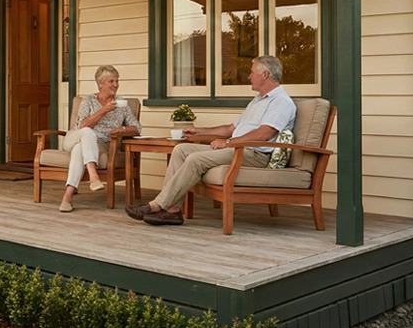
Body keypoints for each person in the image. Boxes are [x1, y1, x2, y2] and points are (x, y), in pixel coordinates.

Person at [125, 55, 295, 226]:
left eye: (252, 73)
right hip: (237, 149)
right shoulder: (257, 101)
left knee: (195, 159)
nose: (249, 77)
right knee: (181, 150)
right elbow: (231, 128)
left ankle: (157, 205)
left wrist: (228, 143)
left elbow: (264, 134)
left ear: (265, 74)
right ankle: (172, 211)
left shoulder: (281, 102)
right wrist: (200, 130)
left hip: (255, 154)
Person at [58, 64, 141, 213]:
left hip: (100, 143)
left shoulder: (121, 103)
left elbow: (136, 127)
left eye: (117, 81)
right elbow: (83, 125)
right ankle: (93, 175)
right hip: (75, 137)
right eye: (111, 81)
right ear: (100, 83)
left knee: (79, 150)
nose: (116, 85)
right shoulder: (88, 100)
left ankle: (67, 196)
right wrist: (103, 110)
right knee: (87, 132)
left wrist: (123, 128)